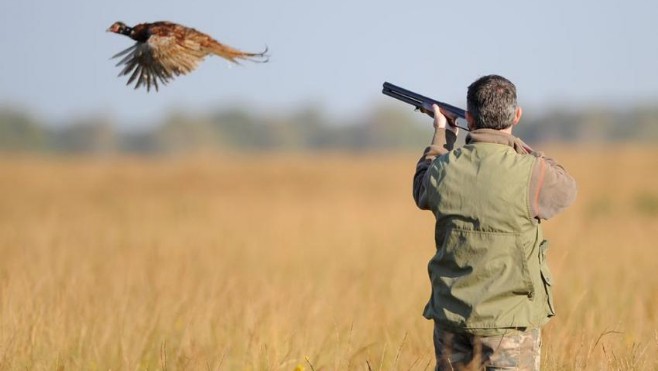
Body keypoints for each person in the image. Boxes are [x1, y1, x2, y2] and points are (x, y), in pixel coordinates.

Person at [413, 75, 577, 370]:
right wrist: (516, 144)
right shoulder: (531, 171)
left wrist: (442, 134)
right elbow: (566, 188)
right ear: (517, 115)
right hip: (511, 324)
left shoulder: (444, 169)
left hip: (452, 321)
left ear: (470, 118)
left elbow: (421, 188)